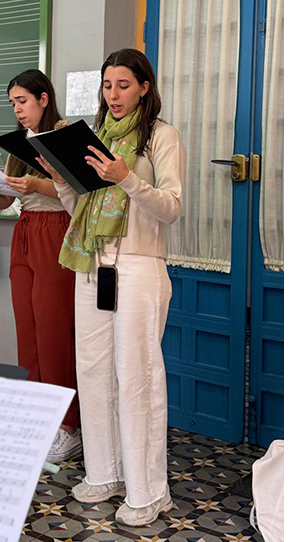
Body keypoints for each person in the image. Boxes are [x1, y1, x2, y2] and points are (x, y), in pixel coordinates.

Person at [37, 49, 186, 527]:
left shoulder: (161, 136)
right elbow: (79, 204)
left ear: (144, 87)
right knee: (94, 371)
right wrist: (62, 179)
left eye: (123, 84)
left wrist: (128, 180)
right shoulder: (97, 137)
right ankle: (105, 472)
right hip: (91, 263)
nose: (114, 94)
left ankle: (148, 491)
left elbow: (171, 207)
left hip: (139, 267)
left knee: (137, 375)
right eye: (107, 85)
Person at [0, 69, 81, 464]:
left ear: (44, 99)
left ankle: (68, 426)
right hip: (26, 231)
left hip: (56, 230)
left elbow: (77, 190)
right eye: (13, 103)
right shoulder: (20, 143)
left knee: (53, 331)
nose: (17, 109)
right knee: (27, 330)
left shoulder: (64, 134)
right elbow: (10, 199)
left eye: (23, 101)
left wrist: (37, 185)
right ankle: (37, 416)